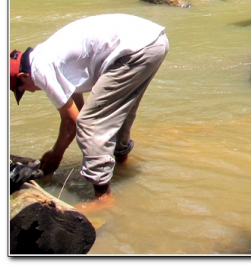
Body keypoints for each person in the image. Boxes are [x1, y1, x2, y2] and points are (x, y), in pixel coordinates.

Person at [9, 14, 169, 201]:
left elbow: (73, 123)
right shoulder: (46, 54)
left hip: (135, 49)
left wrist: (55, 156)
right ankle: (121, 162)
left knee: (90, 123)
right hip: (153, 40)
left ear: (23, 76)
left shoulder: (39, 70)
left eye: (20, 89)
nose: (30, 92)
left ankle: (103, 197)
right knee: (117, 111)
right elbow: (78, 104)